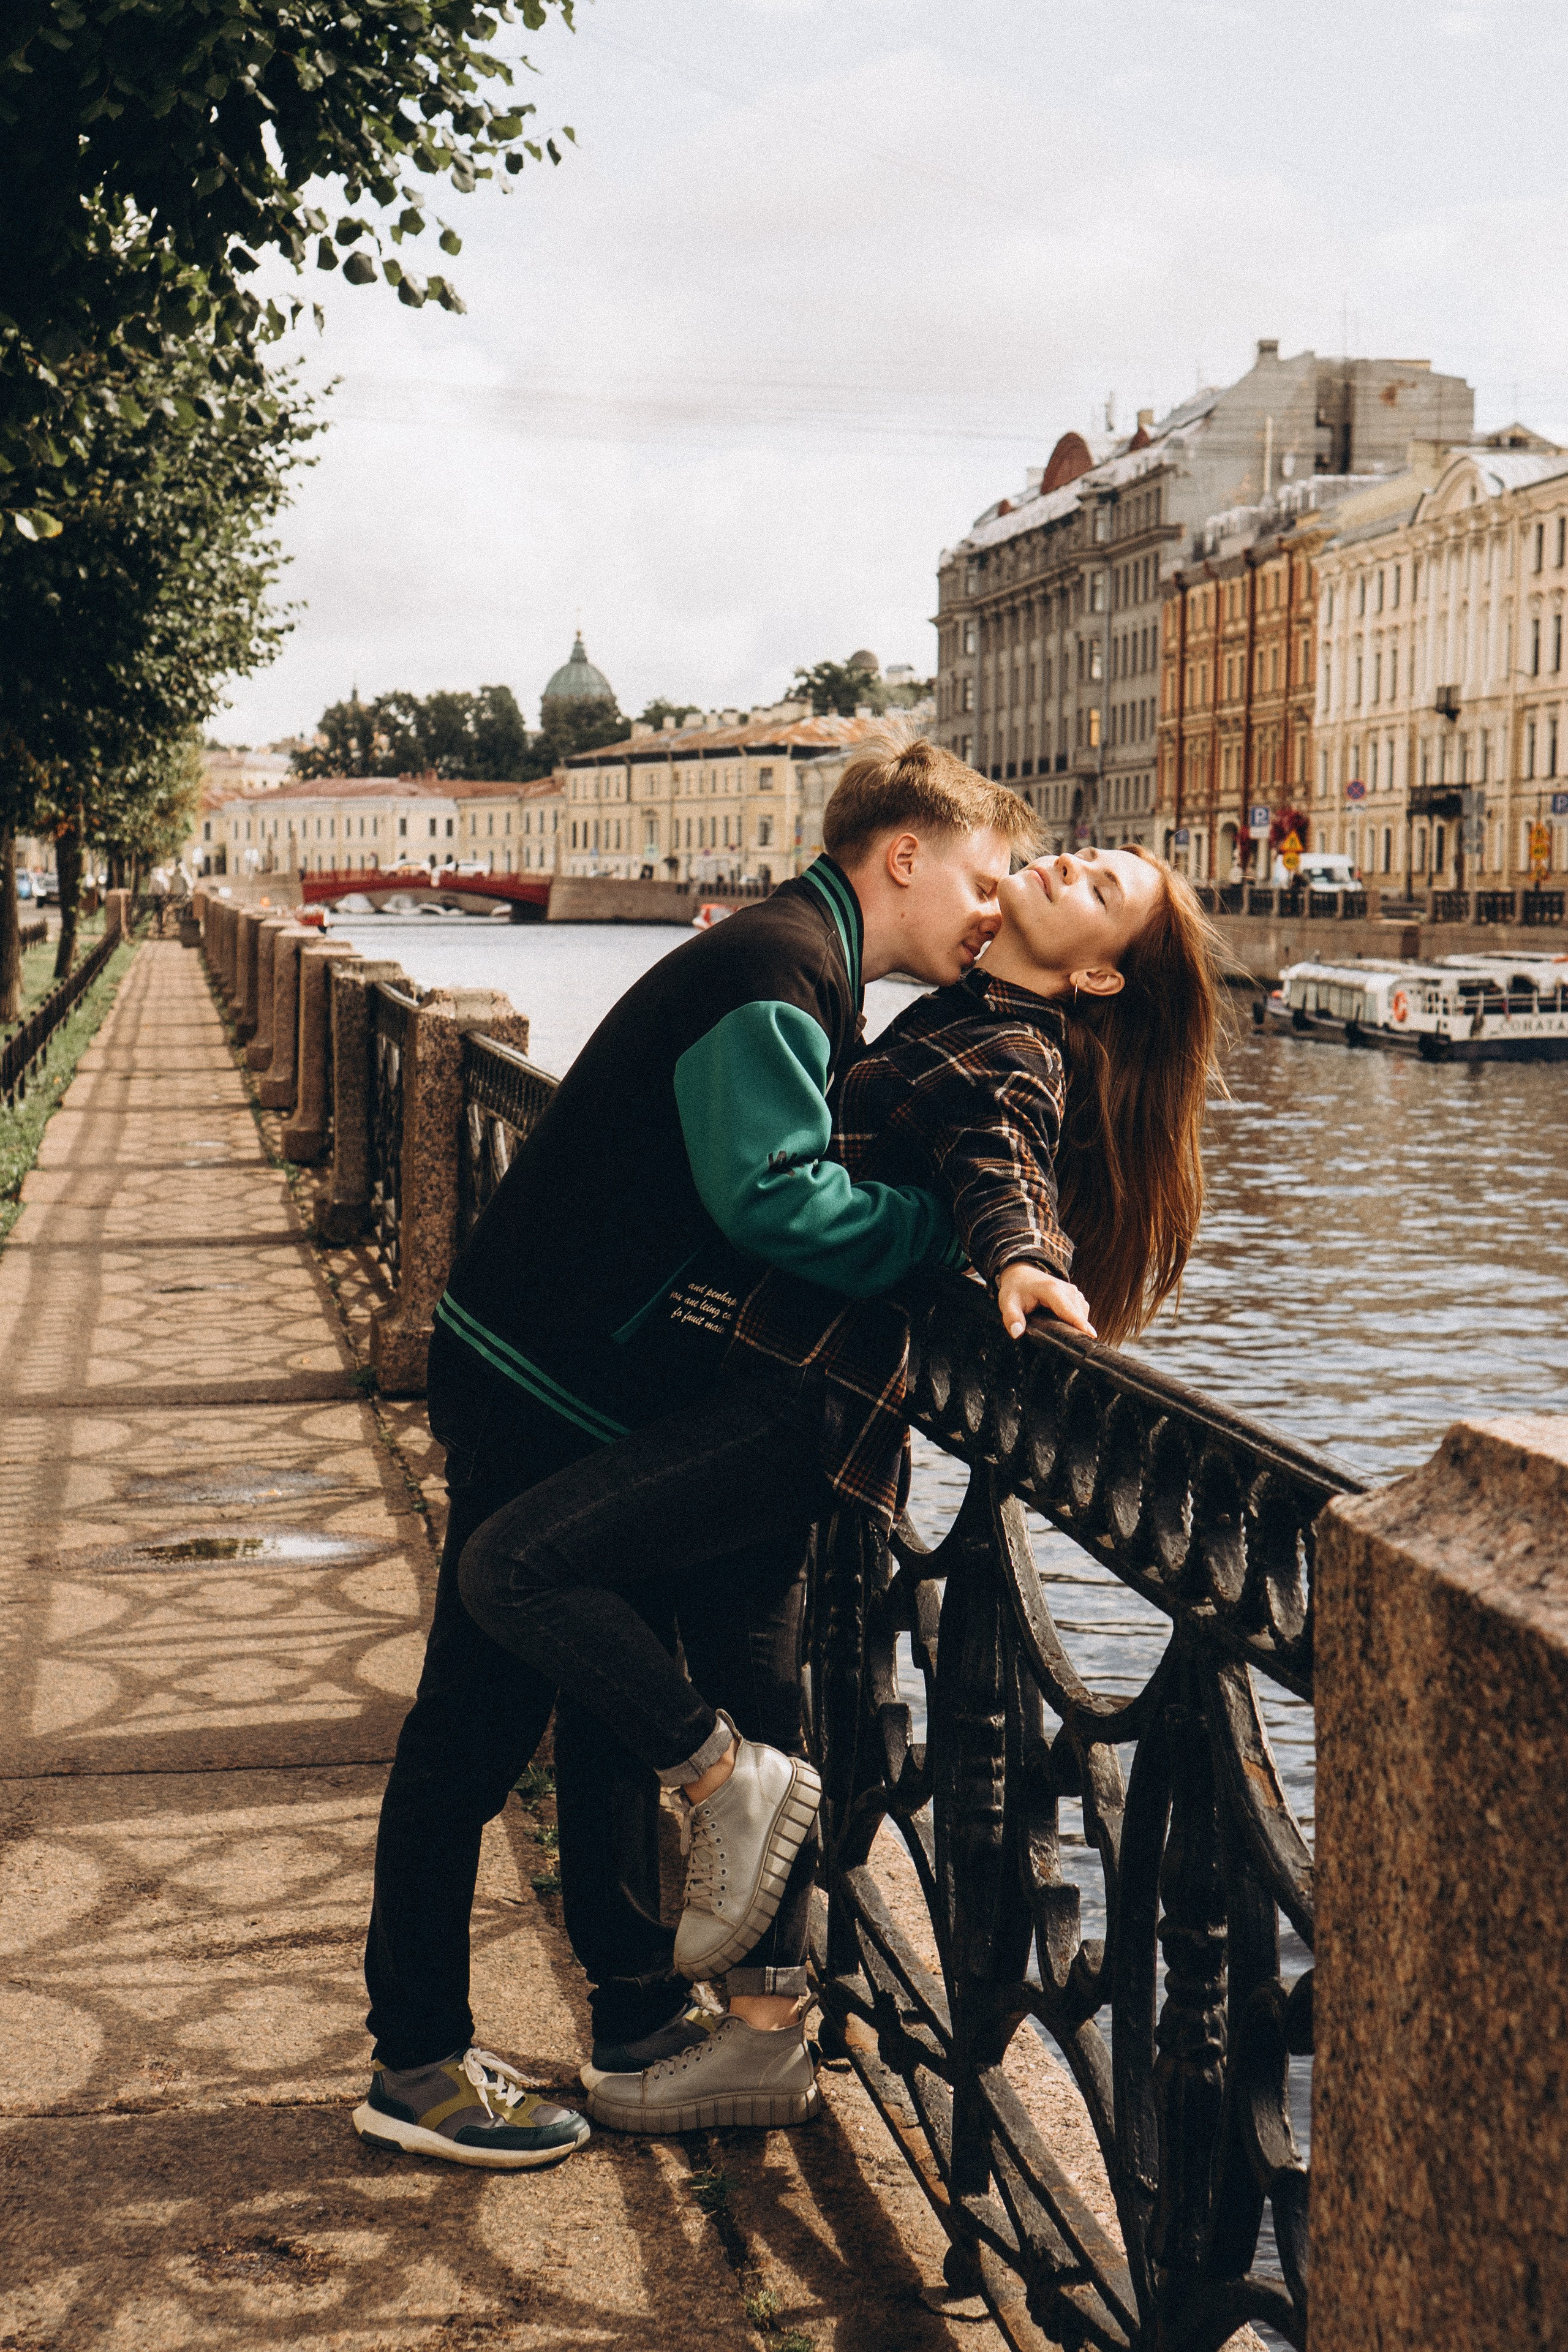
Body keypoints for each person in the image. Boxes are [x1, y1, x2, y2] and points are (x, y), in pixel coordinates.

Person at [457, 831, 1225, 2135]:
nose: (1067, 865)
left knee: (517, 1569)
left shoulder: (1007, 1048)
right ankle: (760, 2036)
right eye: (1082, 854)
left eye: (1100, 890)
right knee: (760, 1695)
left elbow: (999, 1157)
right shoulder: (961, 1008)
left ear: (1099, 980)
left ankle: (717, 1792)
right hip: (770, 1394)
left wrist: (1021, 1257)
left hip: (796, 1407)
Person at [355, 733, 1037, 2168]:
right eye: (983, 878)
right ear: (902, 854)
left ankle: (633, 2019)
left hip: (577, 1372)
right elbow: (773, 1203)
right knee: (471, 1728)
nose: (994, 908)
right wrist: (938, 1246)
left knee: (595, 1716)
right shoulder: (773, 972)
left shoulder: (795, 962)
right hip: (541, 1373)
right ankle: (413, 2061)